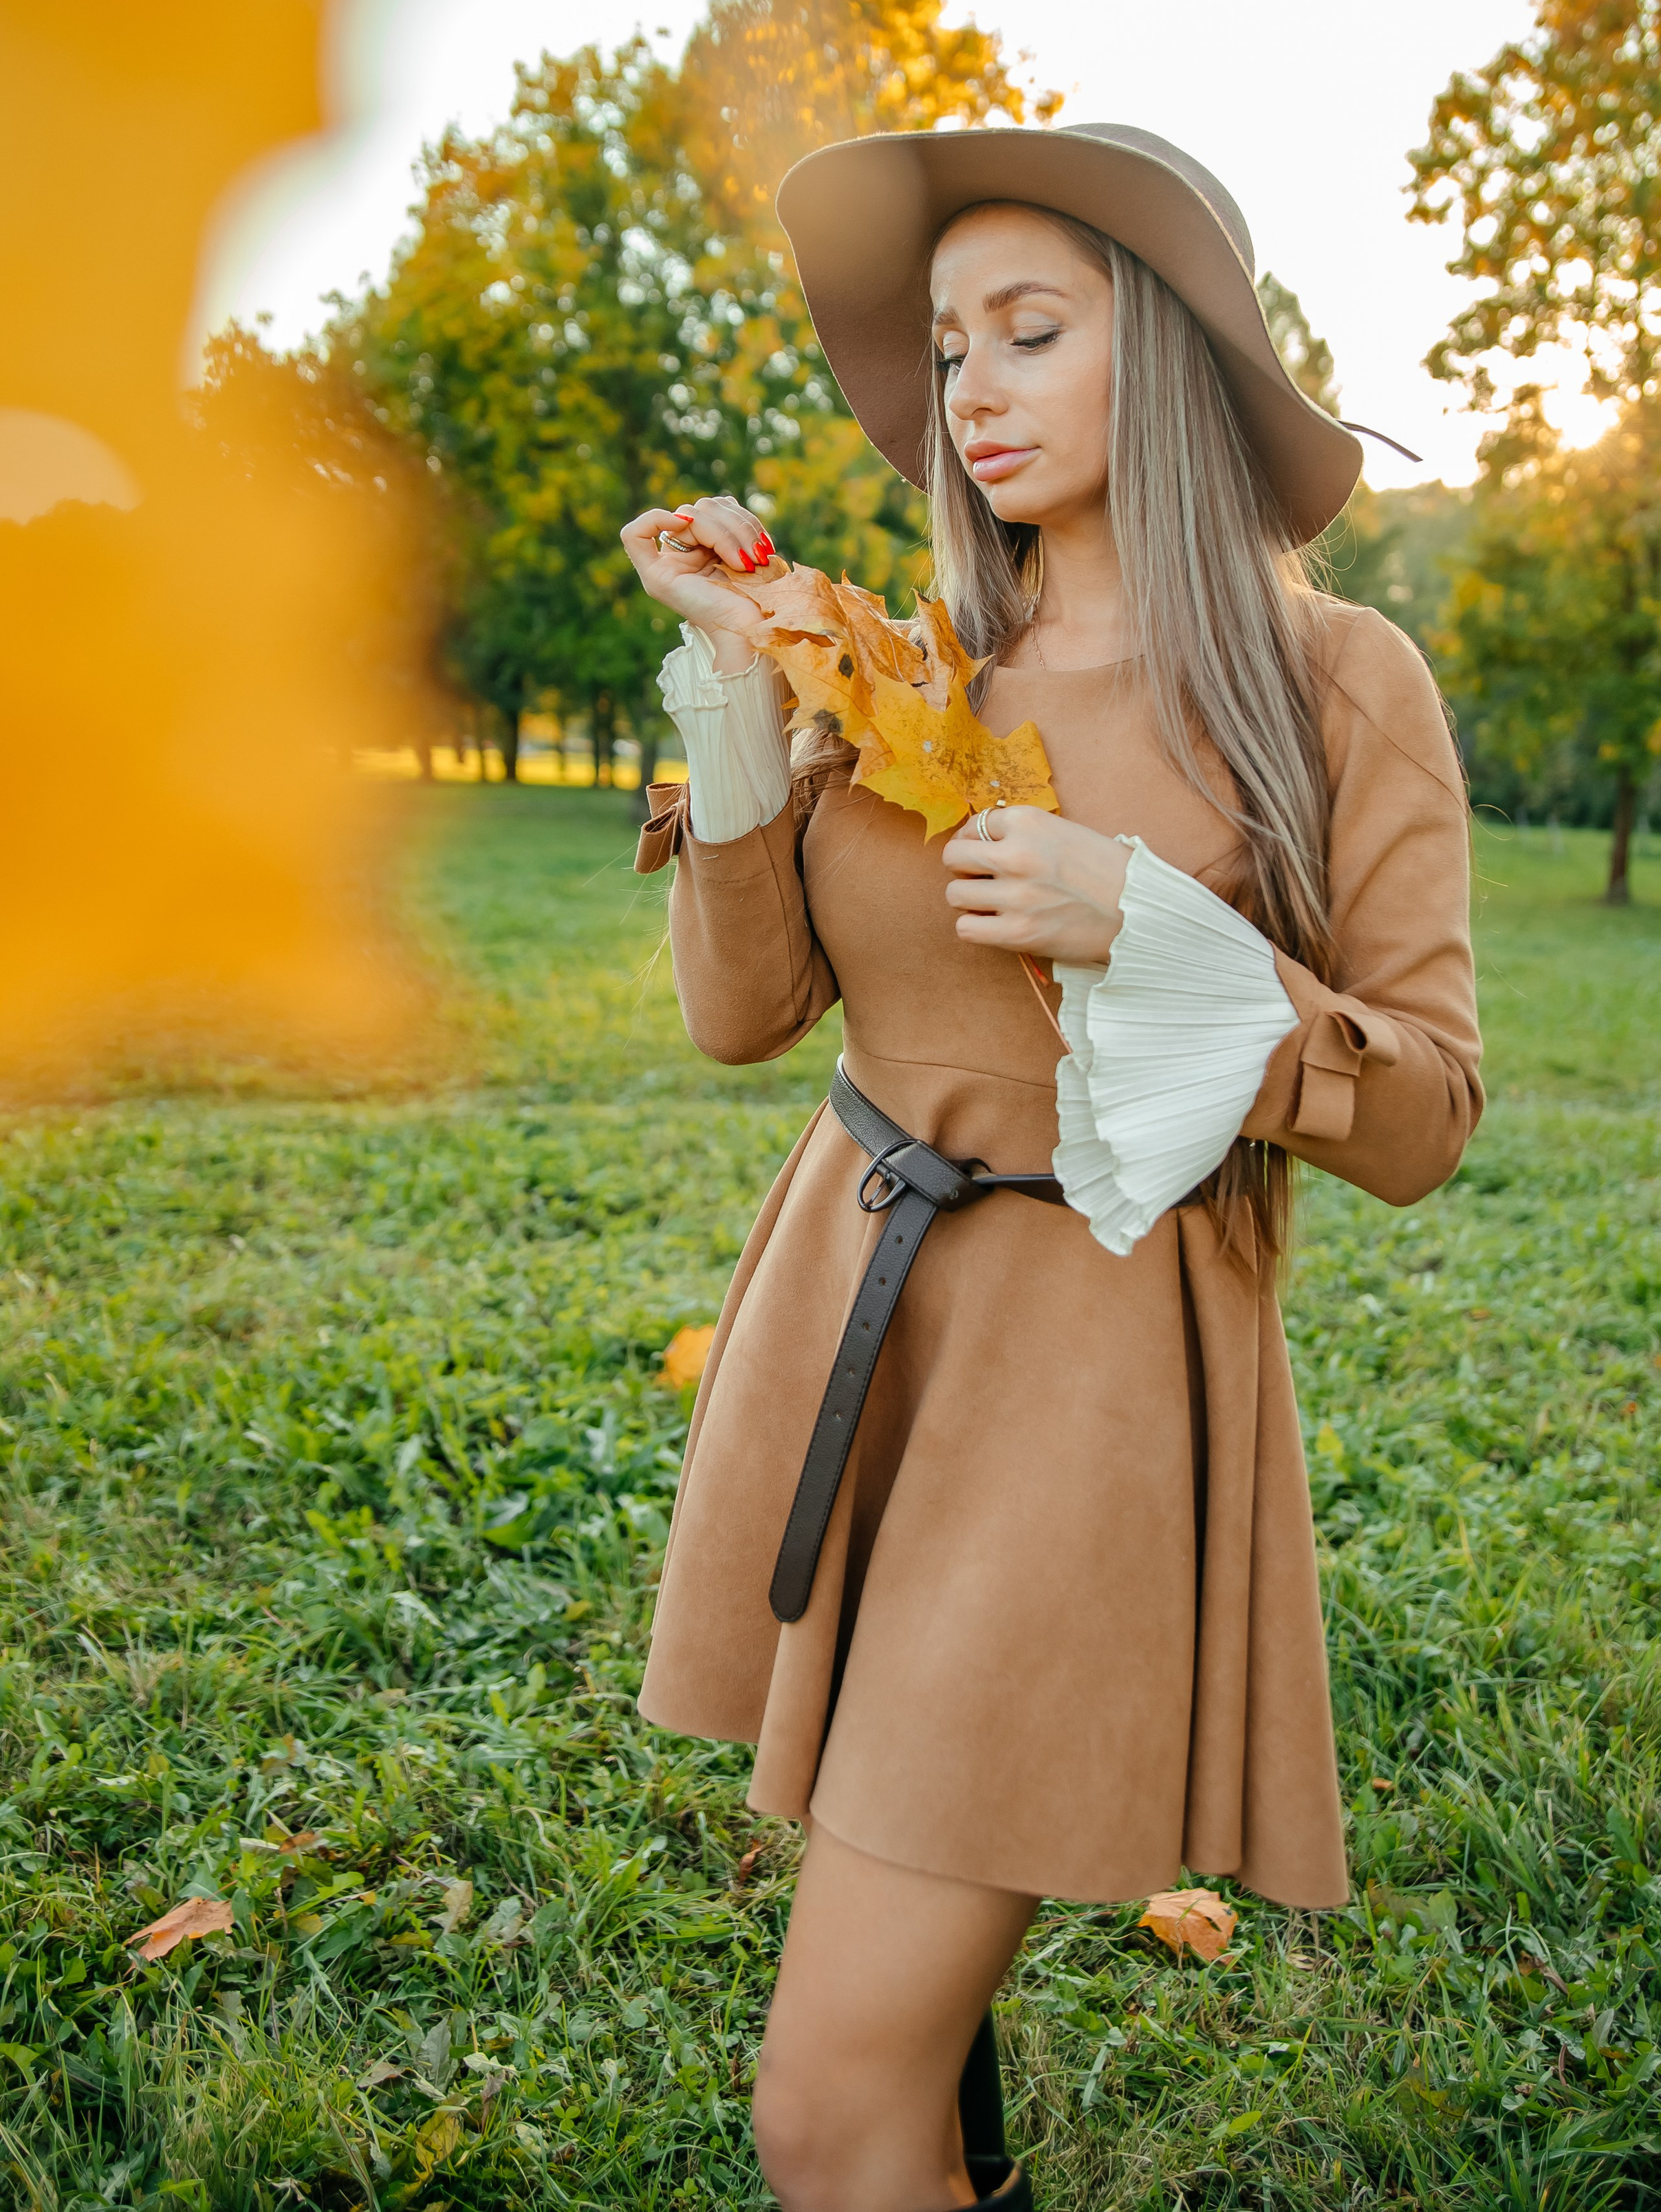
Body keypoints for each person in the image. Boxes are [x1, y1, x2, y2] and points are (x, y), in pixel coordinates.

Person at [620, 123, 1481, 2212]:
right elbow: (747, 1021)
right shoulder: (904, 669)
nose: (967, 390)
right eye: (944, 346)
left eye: (1030, 330)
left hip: (1083, 1408)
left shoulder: (1332, 683)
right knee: (902, 2085)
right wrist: (746, 698)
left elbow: (1430, 1107)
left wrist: (1162, 935)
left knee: (824, 2108)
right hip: (852, 1326)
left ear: (1170, 357)